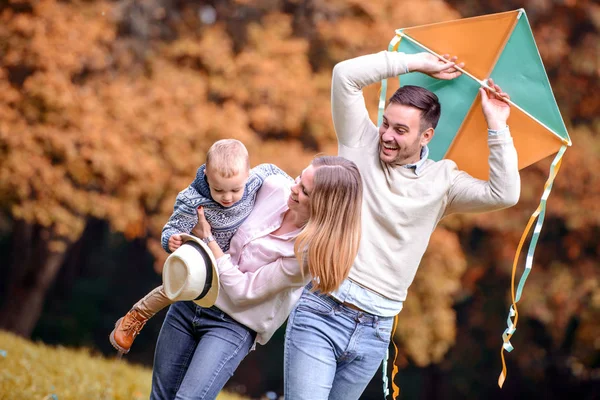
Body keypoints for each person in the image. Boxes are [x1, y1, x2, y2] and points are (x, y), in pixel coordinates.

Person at [283, 51, 521, 399]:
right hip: (323, 310)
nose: (387, 136)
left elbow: (505, 193)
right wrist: (417, 62)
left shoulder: (443, 183)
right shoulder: (359, 142)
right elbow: (343, 75)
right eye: (385, 123)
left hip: (375, 331)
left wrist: (497, 125)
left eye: (400, 130)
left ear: (426, 136)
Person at [150, 156, 363, 399]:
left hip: (232, 324)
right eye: (298, 178)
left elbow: (243, 292)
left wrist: (208, 239)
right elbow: (218, 182)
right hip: (194, 298)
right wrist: (179, 228)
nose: (293, 188)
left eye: (304, 191)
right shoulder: (272, 187)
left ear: (324, 206)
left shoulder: (306, 254)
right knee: (160, 395)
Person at [109, 138, 288, 354]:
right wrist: (171, 239)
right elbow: (173, 227)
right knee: (178, 287)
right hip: (203, 255)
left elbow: (276, 173)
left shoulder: (257, 178)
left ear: (248, 174)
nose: (227, 197)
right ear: (206, 176)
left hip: (234, 256)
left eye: (234, 190)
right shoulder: (193, 200)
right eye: (219, 190)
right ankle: (138, 315)